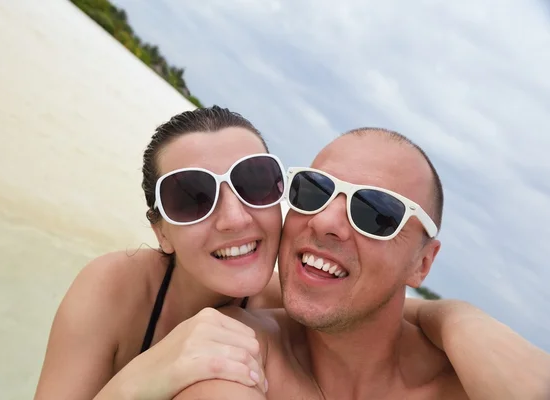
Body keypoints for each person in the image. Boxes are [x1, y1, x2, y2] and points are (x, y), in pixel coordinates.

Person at [173, 128, 550, 400]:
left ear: (422, 264)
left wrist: (458, 320)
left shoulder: (469, 382)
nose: (324, 221)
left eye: (375, 212)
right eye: (313, 190)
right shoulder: (239, 349)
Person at [34, 106, 286, 400]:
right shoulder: (110, 290)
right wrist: (140, 381)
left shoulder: (293, 307)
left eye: (255, 183)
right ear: (161, 233)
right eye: (194, 198)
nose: (236, 218)